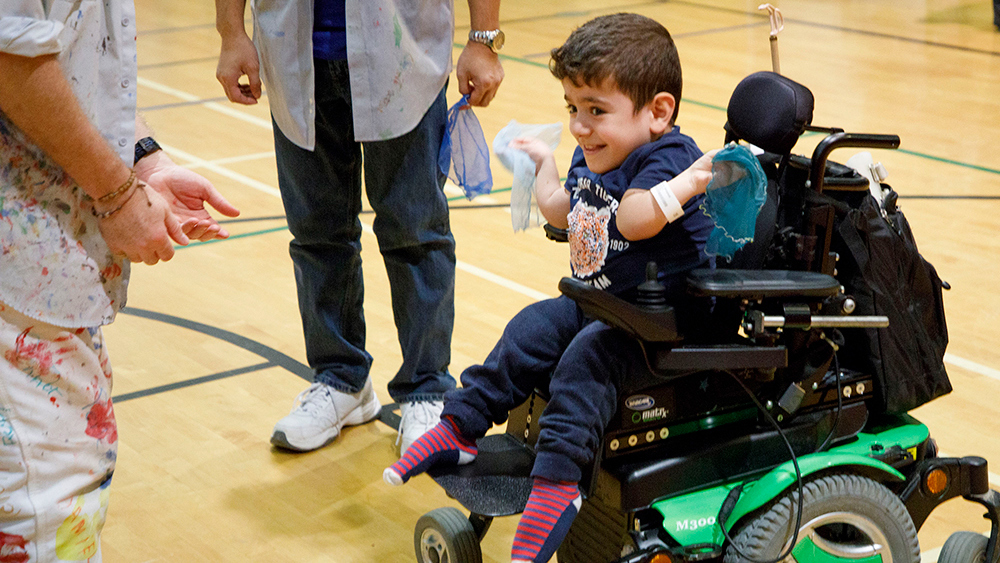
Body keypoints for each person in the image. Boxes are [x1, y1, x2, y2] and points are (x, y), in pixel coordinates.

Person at [384, 13, 719, 563]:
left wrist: (691, 184)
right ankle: (458, 427)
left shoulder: (672, 158)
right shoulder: (597, 156)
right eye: (573, 109)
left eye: (596, 111)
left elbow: (634, 220)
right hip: (609, 306)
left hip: (669, 326)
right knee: (529, 329)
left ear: (658, 112)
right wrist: (540, 165)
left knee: (584, 362)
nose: (580, 127)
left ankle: (559, 483)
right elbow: (563, 210)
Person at [0, 1, 240, 560]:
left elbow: (73, 50)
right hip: (18, 277)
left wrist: (145, 162)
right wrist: (116, 193)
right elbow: (11, 53)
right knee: (41, 511)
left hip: (47, 275)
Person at [214, 0, 504, 454]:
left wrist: (483, 38)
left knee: (416, 232)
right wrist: (230, 31)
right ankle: (340, 379)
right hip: (294, 51)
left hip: (403, 51)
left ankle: (428, 388)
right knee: (316, 233)